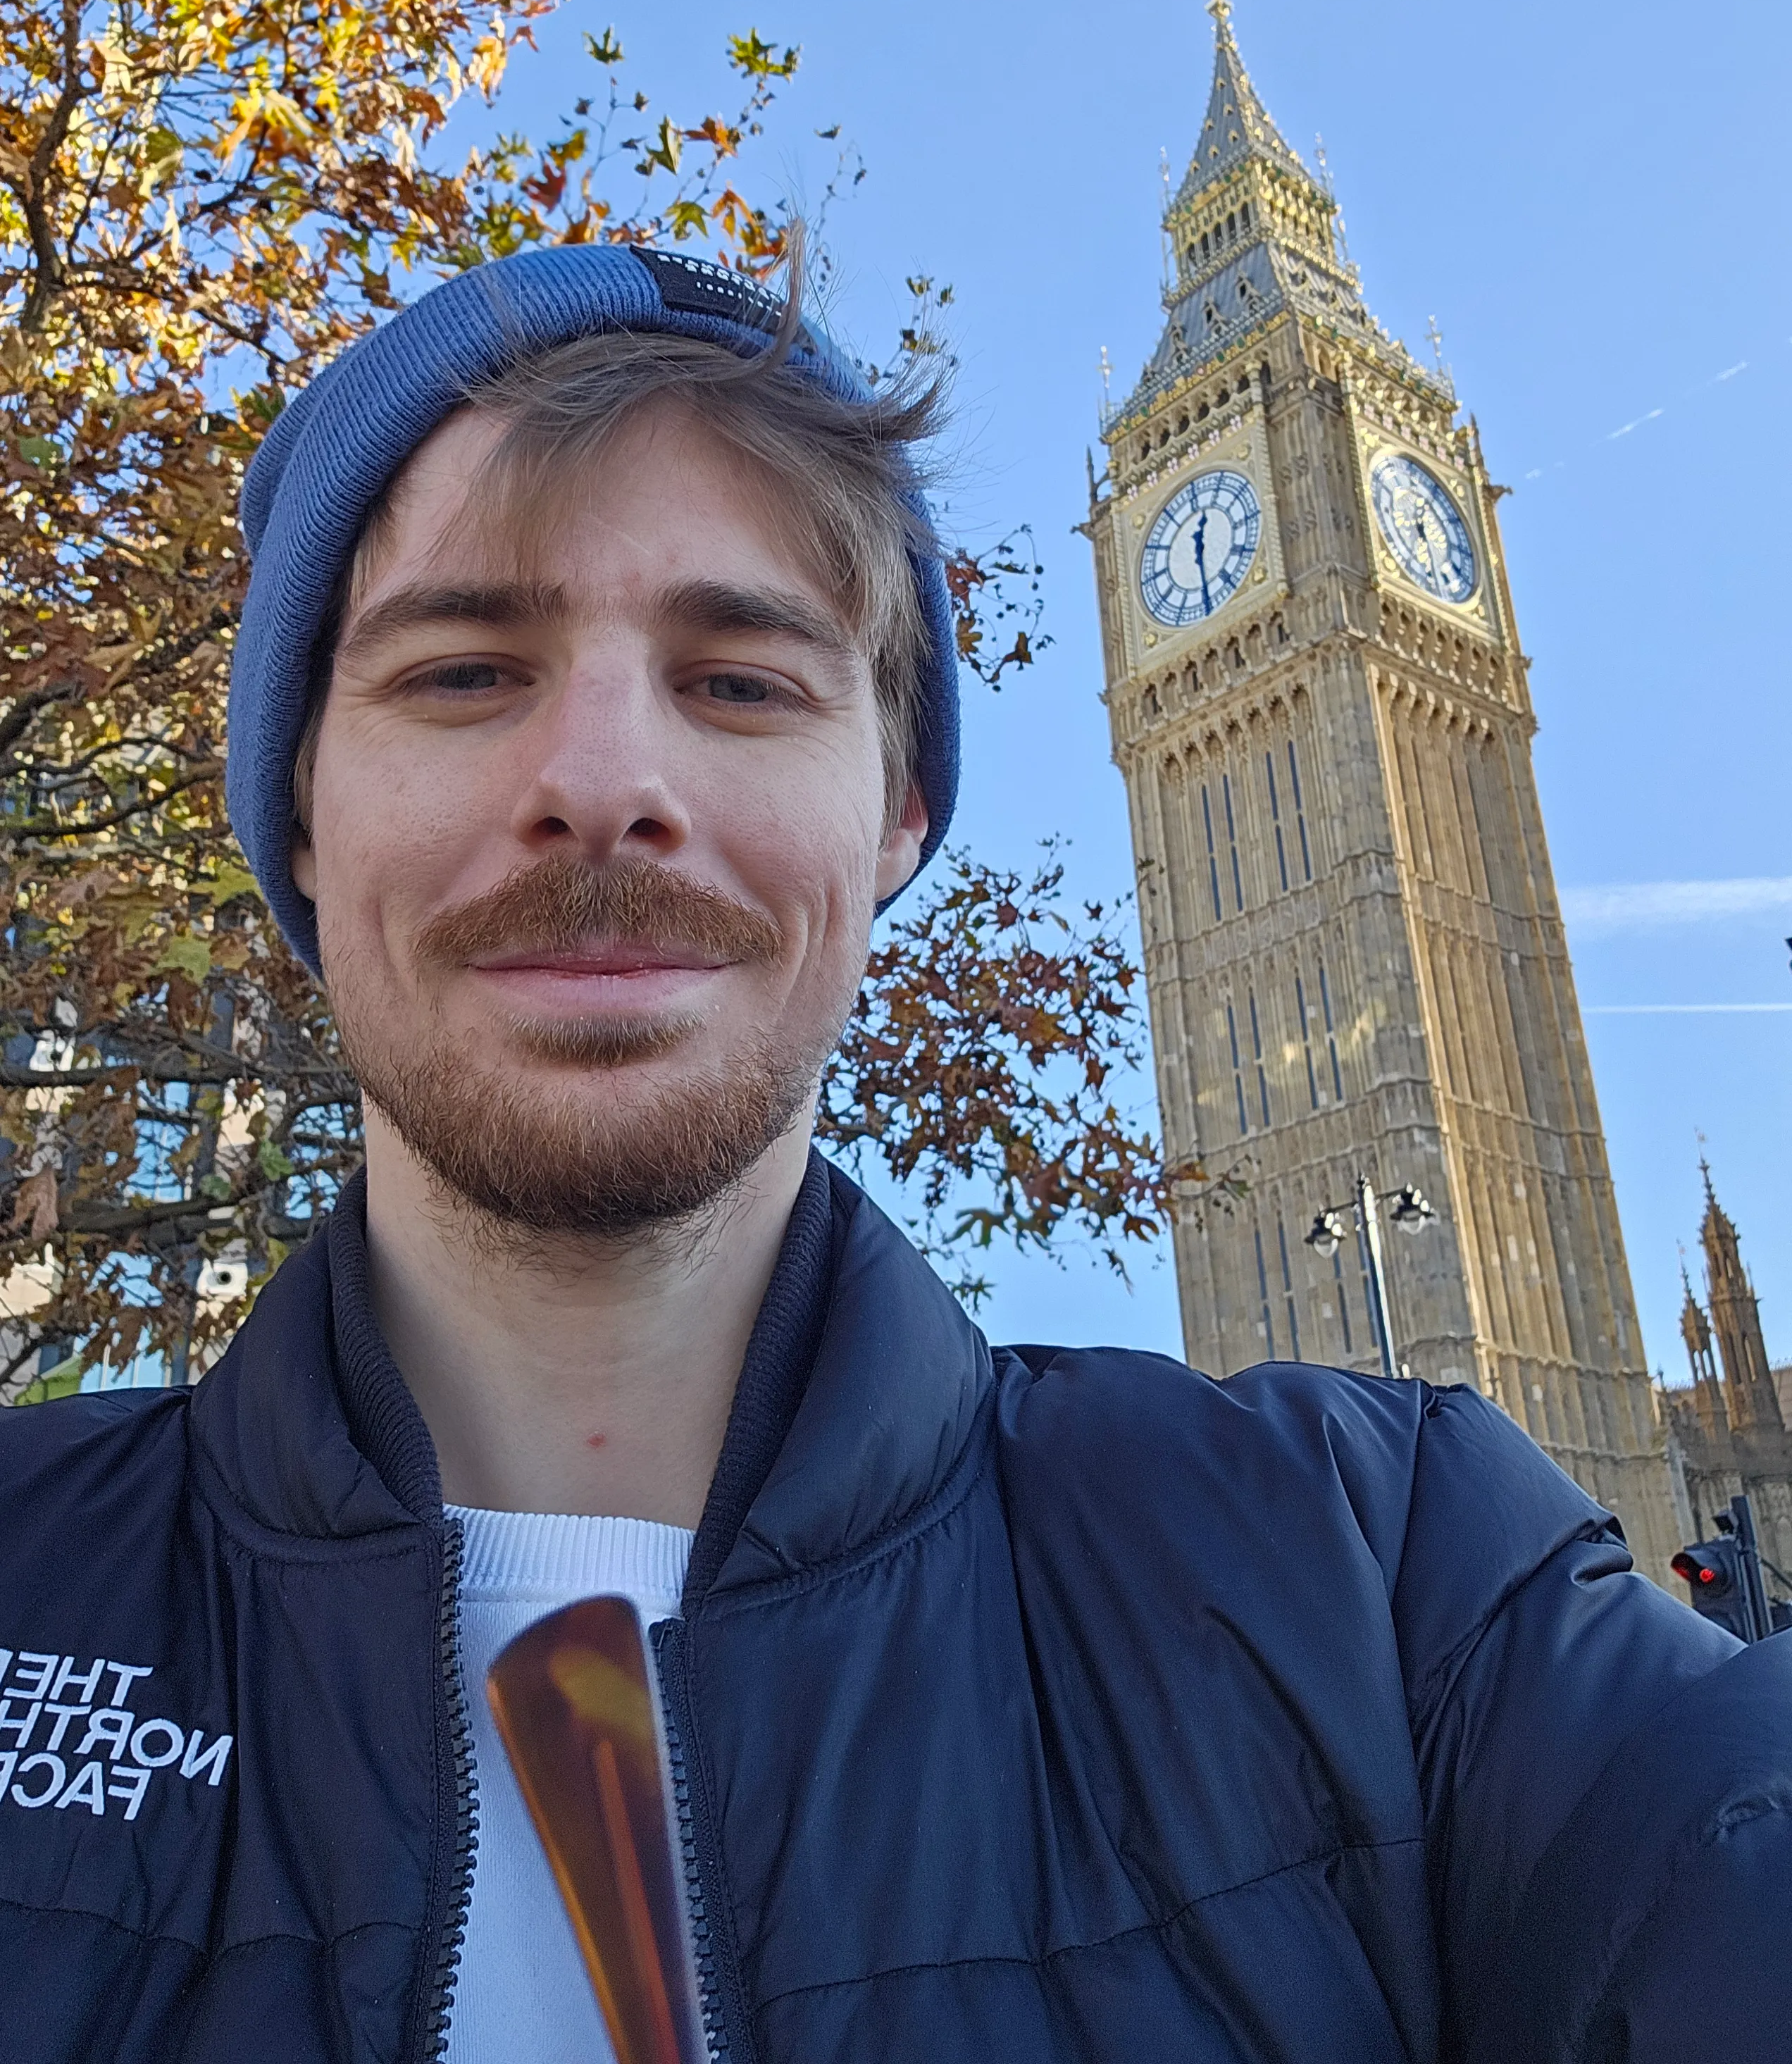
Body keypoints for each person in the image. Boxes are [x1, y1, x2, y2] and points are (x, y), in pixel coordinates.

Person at [1, 240, 1787, 2064]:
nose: (607, 774)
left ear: (897, 812)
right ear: (292, 811)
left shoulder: (1387, 1579)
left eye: (743, 682)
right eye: (462, 672)